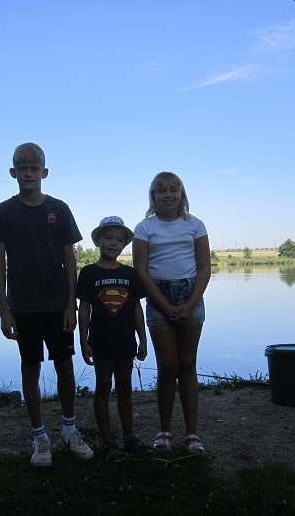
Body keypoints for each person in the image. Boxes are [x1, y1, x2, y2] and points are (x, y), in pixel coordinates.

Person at [0, 142, 94, 466]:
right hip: (22, 306)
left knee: (65, 364)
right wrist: (3, 309)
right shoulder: (2, 212)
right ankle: (40, 438)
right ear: (13, 173)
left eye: (34, 169)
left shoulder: (59, 209)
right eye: (22, 169)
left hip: (57, 303)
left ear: (44, 172)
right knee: (30, 367)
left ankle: (69, 431)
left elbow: (69, 259)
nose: (28, 174)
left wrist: (71, 304)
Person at [132, 172, 211, 454]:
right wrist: (165, 306)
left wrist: (190, 305)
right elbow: (141, 271)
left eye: (173, 190)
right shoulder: (144, 228)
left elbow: (204, 267)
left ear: (182, 195)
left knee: (187, 364)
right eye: (161, 191)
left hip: (191, 295)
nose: (167, 195)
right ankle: (164, 431)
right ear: (153, 197)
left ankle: (192, 434)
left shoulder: (195, 225)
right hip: (158, 296)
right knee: (168, 366)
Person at [78, 216, 149, 463]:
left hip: (126, 342)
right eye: (108, 238)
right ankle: (108, 442)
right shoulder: (88, 273)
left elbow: (137, 308)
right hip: (100, 342)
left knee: (125, 390)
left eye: (119, 240)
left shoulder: (130, 274)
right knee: (103, 389)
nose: (113, 243)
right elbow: (84, 308)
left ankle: (129, 438)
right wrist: (83, 340)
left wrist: (143, 339)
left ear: (124, 245)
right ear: (97, 240)